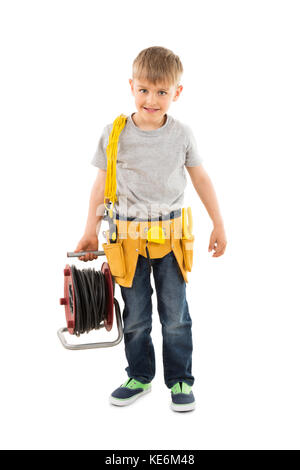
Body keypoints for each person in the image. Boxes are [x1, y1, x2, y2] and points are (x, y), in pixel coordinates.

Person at [75, 46, 227, 412]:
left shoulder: (182, 135)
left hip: (171, 243)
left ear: (177, 92)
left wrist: (218, 223)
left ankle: (179, 380)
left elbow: (202, 179)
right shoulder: (114, 133)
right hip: (126, 244)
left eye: (161, 92)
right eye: (143, 89)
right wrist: (89, 230)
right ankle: (140, 376)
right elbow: (99, 185)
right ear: (131, 86)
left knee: (175, 316)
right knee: (136, 317)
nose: (151, 99)